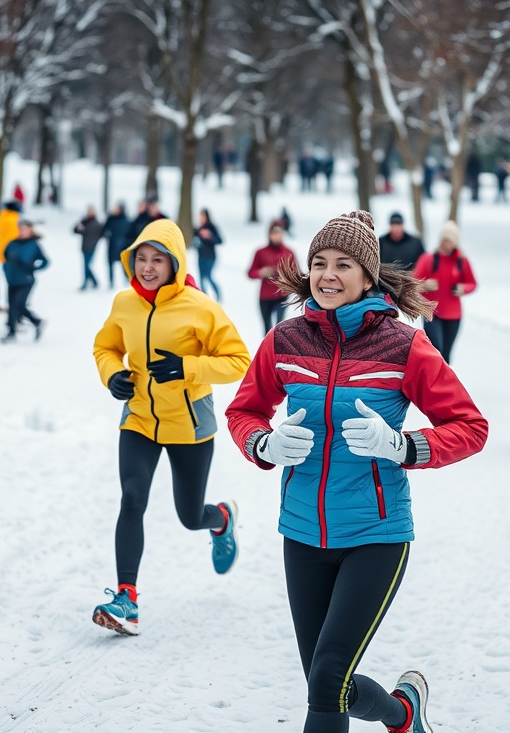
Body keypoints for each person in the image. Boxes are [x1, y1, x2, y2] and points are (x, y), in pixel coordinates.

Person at [225, 209, 488, 733]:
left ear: (368, 277)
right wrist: (264, 442)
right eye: (319, 262)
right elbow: (243, 410)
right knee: (328, 686)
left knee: (326, 682)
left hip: (376, 533)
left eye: (343, 264)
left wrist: (401, 445)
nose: (327, 274)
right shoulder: (286, 340)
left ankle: (402, 713)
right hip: (301, 532)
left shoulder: (404, 345)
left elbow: (469, 426)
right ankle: (403, 714)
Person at [90, 218, 251, 636]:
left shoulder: (200, 307)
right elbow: (105, 346)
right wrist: (112, 375)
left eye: (156, 259)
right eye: (140, 258)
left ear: (174, 263)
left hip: (190, 427)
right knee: (132, 497)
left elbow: (238, 360)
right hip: (140, 419)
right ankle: (127, 597)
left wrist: (187, 367)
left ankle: (220, 521)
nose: (146, 267)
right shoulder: (125, 303)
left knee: (189, 515)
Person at [412, 221, 477, 363]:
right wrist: (424, 285)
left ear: (455, 243)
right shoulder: (429, 259)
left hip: (454, 315)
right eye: (444, 240)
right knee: (436, 350)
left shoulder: (461, 261)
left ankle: (443, 383)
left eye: (449, 241)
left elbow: (472, 283)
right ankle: (432, 380)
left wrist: (462, 289)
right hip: (432, 313)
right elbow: (412, 283)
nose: (446, 244)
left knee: (446, 355)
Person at [247, 220, 299, 335]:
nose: (276, 236)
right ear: (269, 234)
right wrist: (261, 272)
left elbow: (297, 274)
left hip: (282, 295)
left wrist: (285, 275)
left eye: (279, 233)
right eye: (274, 233)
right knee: (267, 327)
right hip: (265, 296)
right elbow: (250, 273)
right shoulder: (260, 252)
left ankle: (277, 349)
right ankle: (267, 351)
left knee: (279, 326)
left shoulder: (288, 252)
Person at [0, 220, 48, 343]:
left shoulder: (33, 245)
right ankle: (11, 331)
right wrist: (7, 269)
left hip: (26, 280)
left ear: (30, 230)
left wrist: (33, 267)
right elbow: (5, 257)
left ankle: (37, 322)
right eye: (21, 229)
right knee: (11, 305)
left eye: (25, 229)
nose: (23, 231)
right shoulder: (12, 243)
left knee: (19, 304)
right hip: (12, 279)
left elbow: (45, 261)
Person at [193, 208, 223, 300]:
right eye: (200, 216)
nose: (201, 218)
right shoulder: (198, 229)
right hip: (201, 256)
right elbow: (194, 242)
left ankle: (218, 295)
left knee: (208, 276)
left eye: (202, 216)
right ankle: (204, 297)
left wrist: (210, 236)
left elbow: (220, 240)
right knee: (201, 278)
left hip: (210, 257)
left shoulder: (211, 227)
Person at [101, 201, 131, 288]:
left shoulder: (126, 220)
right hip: (112, 245)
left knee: (124, 264)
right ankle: (111, 282)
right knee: (110, 263)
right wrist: (107, 236)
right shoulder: (110, 219)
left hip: (122, 245)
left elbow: (129, 233)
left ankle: (126, 279)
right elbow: (104, 230)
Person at [73, 205, 103, 290]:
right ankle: (94, 281)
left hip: (91, 247)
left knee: (87, 265)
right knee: (86, 265)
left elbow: (99, 234)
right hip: (84, 247)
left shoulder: (96, 224)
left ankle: (87, 282)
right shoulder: (85, 222)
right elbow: (76, 231)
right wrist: (79, 224)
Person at [0, 200, 21, 271]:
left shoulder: (2, 217)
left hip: (1, 248)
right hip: (10, 250)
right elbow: (15, 236)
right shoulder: (12, 219)